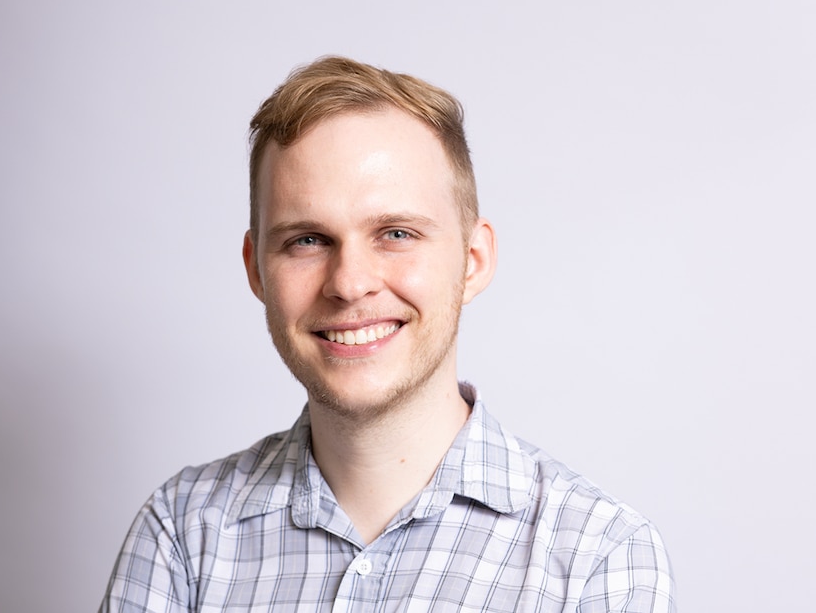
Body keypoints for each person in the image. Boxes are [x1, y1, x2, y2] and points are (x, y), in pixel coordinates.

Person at [99, 56, 676, 612]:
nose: (349, 284)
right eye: (306, 240)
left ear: (472, 260)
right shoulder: (182, 533)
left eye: (396, 233)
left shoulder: (599, 560)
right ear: (256, 270)